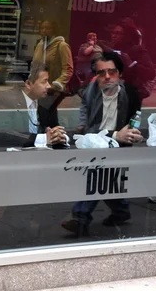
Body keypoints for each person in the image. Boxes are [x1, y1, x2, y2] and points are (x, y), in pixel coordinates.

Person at [61, 52, 142, 236]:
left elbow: (135, 116)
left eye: (111, 72)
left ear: (119, 73)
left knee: (101, 177)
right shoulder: (92, 91)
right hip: (96, 140)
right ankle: (117, 212)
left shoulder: (129, 93)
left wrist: (133, 132)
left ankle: (82, 218)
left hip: (120, 145)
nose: (107, 77)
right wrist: (82, 123)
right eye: (101, 73)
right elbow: (87, 116)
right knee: (102, 177)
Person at [0, 62, 67, 148]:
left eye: (48, 81)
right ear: (28, 84)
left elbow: (56, 128)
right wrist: (41, 139)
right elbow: (0, 133)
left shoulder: (47, 101)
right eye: (44, 82)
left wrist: (61, 137)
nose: (48, 86)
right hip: (12, 155)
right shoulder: (5, 99)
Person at [99, 21, 156, 101]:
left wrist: (131, 64)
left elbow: (151, 73)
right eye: (113, 32)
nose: (113, 36)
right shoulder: (109, 49)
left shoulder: (137, 50)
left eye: (118, 33)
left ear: (127, 35)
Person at [32, 20, 74, 105]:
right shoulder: (39, 46)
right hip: (40, 89)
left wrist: (56, 85)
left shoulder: (62, 46)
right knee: (42, 114)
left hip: (53, 91)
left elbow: (68, 69)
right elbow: (34, 66)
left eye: (47, 28)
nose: (44, 30)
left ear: (54, 30)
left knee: (49, 115)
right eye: (42, 28)